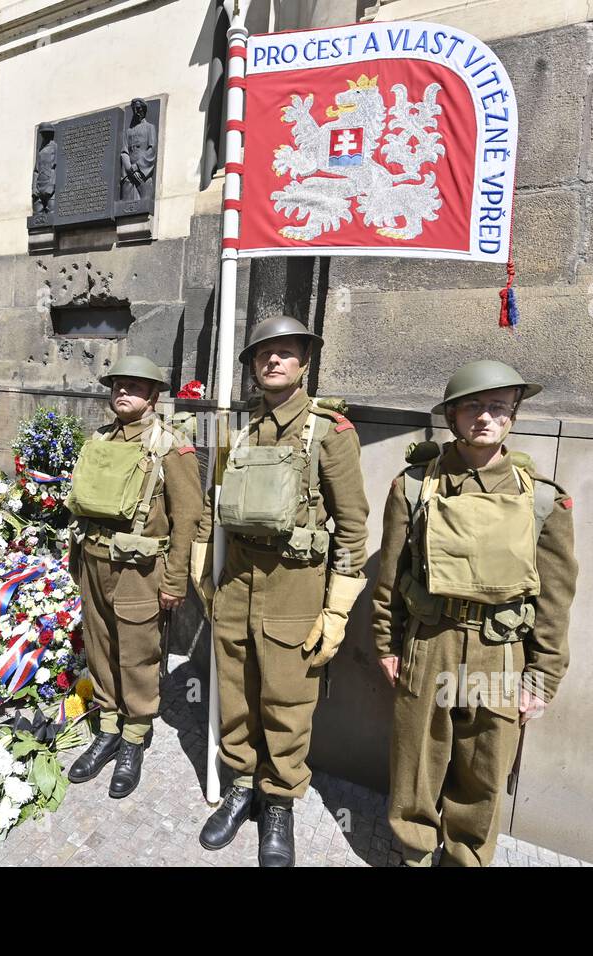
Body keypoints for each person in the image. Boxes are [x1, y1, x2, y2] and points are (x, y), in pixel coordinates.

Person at [370, 360, 578, 867]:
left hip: (499, 652)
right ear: (452, 416)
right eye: (473, 407)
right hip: (429, 642)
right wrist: (387, 643)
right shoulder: (414, 487)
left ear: (512, 417)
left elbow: (554, 598)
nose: (486, 418)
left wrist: (543, 676)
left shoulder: (544, 500)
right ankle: (414, 853)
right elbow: (391, 577)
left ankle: (466, 858)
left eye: (498, 408)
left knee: (484, 769)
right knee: (416, 763)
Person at [192, 316, 369, 867]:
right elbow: (210, 513)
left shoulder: (331, 433)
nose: (273, 361)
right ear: (251, 365)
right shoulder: (234, 433)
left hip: (296, 589)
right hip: (237, 584)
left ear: (304, 362)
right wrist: (206, 581)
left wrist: (336, 611)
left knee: (288, 705)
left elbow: (354, 529)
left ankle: (279, 803)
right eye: (264, 354)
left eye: (286, 352)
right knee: (236, 696)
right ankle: (241, 784)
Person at [64, 355, 202, 798]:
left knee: (138, 655)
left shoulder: (171, 446)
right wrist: (76, 560)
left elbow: (189, 519)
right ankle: (107, 727)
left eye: (135, 386)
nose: (123, 392)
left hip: (139, 571)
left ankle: (134, 736)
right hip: (93, 561)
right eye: (118, 384)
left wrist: (175, 580)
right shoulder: (100, 439)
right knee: (101, 647)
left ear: (154, 395)